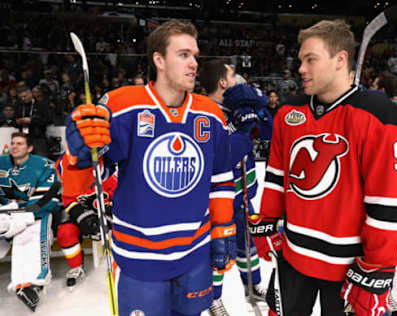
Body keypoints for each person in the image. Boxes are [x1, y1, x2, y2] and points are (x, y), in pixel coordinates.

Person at [63, 19, 236, 316]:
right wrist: (77, 154)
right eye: (183, 55)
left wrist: (223, 230)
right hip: (140, 257)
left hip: (195, 253)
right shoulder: (121, 105)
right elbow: (87, 181)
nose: (194, 63)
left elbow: (220, 178)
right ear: (159, 59)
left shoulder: (210, 112)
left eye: (195, 55)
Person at [248, 19, 397, 316]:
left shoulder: (380, 115)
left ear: (340, 60)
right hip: (293, 257)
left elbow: (389, 205)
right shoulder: (289, 111)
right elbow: (277, 176)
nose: (301, 69)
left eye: (311, 59)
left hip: (349, 268)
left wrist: (377, 267)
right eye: (300, 60)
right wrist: (268, 218)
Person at [199, 59, 272, 316]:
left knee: (247, 244)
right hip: (218, 198)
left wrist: (260, 109)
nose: (239, 80)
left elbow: (267, 134)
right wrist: (238, 129)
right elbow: (224, 155)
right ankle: (213, 298)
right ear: (223, 82)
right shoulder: (204, 111)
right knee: (221, 250)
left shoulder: (237, 105)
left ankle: (253, 286)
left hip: (243, 195)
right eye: (234, 75)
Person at [0, 132, 60, 311]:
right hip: (6, 213)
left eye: (19, 143)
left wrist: (24, 216)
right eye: (13, 143)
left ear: (30, 148)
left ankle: (29, 283)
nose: (14, 147)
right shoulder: (2, 163)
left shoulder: (44, 165)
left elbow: (48, 197)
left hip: (35, 213)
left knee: (29, 235)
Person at [55, 153, 117, 289]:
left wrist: (108, 217)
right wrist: (85, 218)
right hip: (85, 214)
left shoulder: (111, 167)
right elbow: (69, 200)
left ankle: (125, 266)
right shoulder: (70, 169)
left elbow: (123, 195)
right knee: (65, 232)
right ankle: (76, 267)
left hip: (112, 214)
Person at [16, 86, 51, 157]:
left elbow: (48, 120)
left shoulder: (41, 105)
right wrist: (18, 122)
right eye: (21, 97)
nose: (23, 99)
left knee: (40, 161)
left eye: (25, 96)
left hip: (38, 138)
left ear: (31, 94)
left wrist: (31, 120)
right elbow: (14, 119)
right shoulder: (19, 106)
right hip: (24, 137)